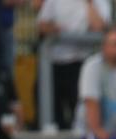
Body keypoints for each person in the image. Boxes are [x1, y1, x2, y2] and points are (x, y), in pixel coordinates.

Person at [37, 0, 111, 130]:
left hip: (81, 64)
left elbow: (99, 27)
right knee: (51, 112)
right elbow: (41, 24)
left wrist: (89, 4)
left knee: (79, 113)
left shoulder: (100, 2)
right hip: (53, 64)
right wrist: (54, 29)